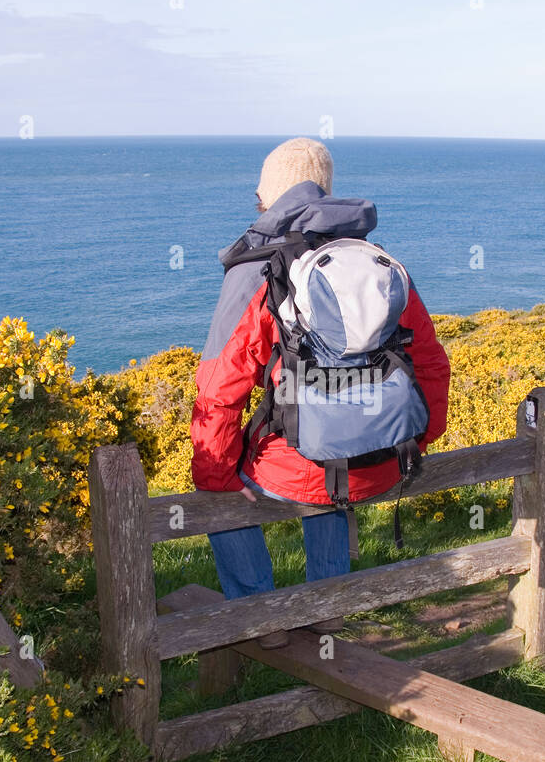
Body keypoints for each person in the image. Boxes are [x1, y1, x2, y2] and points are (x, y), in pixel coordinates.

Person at [190, 138, 450, 648]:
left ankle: (260, 616)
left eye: (258, 197)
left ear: (268, 198)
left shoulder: (258, 267)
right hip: (381, 456)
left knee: (223, 481)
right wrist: (420, 438)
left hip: (298, 468)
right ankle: (328, 606)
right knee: (330, 442)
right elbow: (432, 361)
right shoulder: (376, 263)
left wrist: (217, 476)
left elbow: (221, 387)